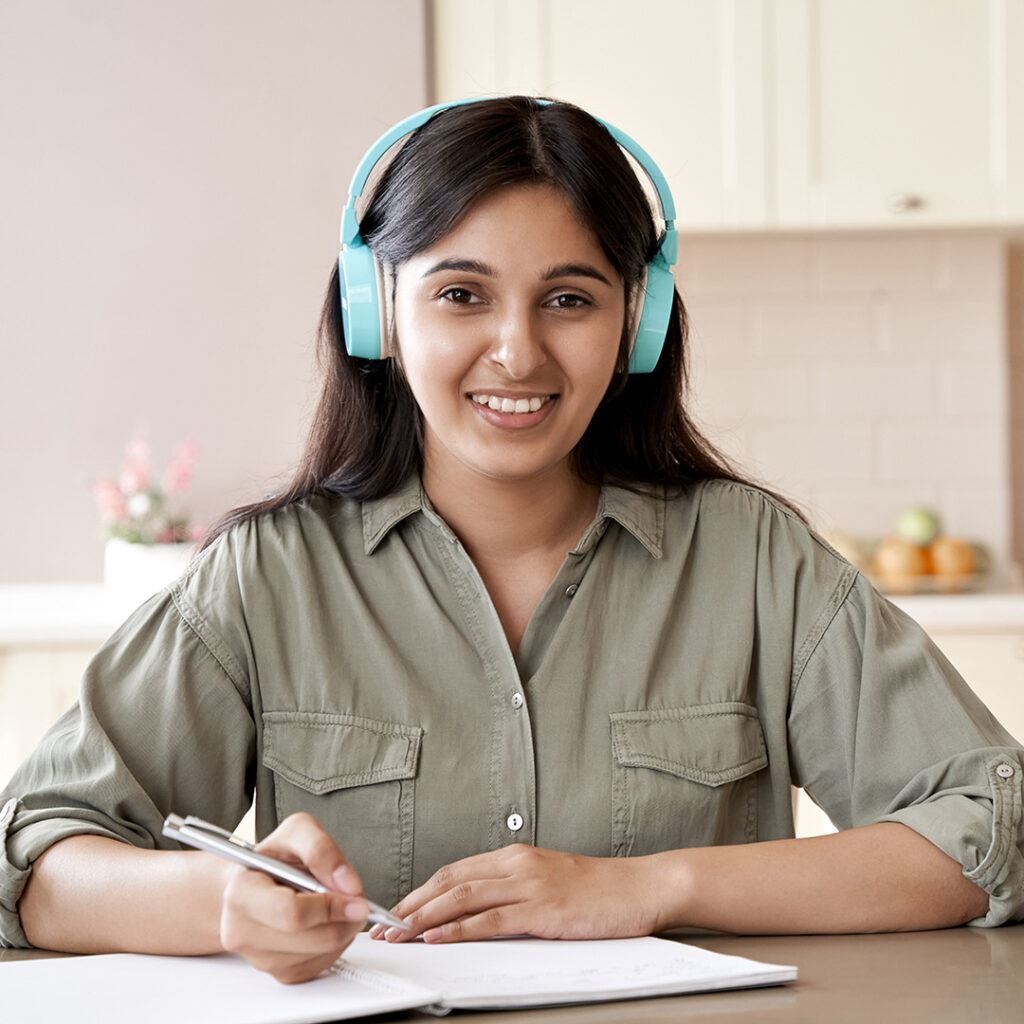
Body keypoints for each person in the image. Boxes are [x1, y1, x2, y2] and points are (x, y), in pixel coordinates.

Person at [2, 95, 1022, 987]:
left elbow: (995, 825)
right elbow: (34, 864)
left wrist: (645, 887)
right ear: (379, 314)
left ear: (639, 322)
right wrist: (222, 907)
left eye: (569, 299)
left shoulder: (755, 560)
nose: (517, 350)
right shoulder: (269, 577)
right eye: (460, 293)